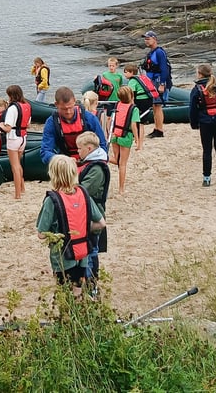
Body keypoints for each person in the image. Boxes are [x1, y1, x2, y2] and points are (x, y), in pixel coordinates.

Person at [36, 155, 105, 291]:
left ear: (52, 175)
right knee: (79, 290)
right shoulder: (83, 194)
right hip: (82, 254)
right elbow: (101, 223)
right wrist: (81, 230)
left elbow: (41, 234)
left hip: (62, 258)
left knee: (66, 292)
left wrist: (61, 235)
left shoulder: (52, 201)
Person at [75, 131, 110, 291]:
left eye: (80, 149)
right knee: (87, 249)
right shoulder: (91, 164)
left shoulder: (96, 169)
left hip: (94, 215)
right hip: (89, 213)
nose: (78, 152)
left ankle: (91, 286)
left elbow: (84, 191)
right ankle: (87, 282)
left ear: (89, 149)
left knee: (90, 251)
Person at [40, 86, 108, 165]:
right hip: (65, 164)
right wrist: (63, 160)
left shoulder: (89, 118)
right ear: (56, 104)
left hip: (89, 162)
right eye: (64, 109)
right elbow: (45, 152)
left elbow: (102, 145)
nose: (68, 112)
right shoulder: (51, 123)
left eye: (70, 107)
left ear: (74, 101)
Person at [189, 63, 216, 187]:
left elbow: (192, 109)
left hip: (205, 121)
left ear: (200, 74)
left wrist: (194, 123)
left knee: (207, 150)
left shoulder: (196, 89)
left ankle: (207, 178)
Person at [108, 86, 143, 195]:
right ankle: (121, 189)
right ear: (131, 96)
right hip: (125, 137)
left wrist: (109, 133)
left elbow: (110, 120)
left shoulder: (117, 105)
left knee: (117, 160)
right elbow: (133, 125)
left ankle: (105, 157)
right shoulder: (134, 109)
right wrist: (137, 140)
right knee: (122, 164)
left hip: (114, 135)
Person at [0, 84, 31, 200]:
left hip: (13, 138)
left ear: (11, 96)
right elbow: (28, 124)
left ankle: (17, 194)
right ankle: (22, 188)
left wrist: (1, 125)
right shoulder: (27, 106)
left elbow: (8, 128)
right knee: (19, 164)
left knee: (15, 167)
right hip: (23, 138)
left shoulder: (13, 108)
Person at [142, 31, 172, 138]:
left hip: (159, 81)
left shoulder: (159, 52)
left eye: (148, 39)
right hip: (152, 81)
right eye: (145, 39)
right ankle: (156, 128)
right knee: (154, 105)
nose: (146, 41)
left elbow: (164, 69)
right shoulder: (151, 52)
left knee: (158, 105)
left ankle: (160, 130)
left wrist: (162, 84)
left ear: (155, 39)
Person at [94, 57, 124, 134]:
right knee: (108, 116)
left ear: (116, 66)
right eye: (109, 66)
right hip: (108, 98)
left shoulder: (119, 76)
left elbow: (120, 85)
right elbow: (102, 85)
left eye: (113, 66)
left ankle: (115, 129)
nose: (111, 67)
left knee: (117, 115)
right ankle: (108, 131)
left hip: (117, 98)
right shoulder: (105, 74)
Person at [122, 64, 156, 128]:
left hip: (141, 100)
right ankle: (143, 123)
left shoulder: (132, 81)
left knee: (137, 117)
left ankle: (136, 130)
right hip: (149, 99)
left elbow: (132, 93)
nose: (124, 74)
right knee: (142, 118)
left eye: (126, 72)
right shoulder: (140, 78)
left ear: (131, 72)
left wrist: (131, 103)